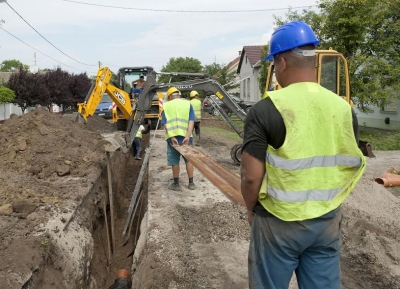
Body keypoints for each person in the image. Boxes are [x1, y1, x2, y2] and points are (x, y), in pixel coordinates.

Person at [240, 21, 366, 289]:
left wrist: (252, 210)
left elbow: (251, 178)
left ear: (281, 63)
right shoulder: (343, 109)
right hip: (328, 219)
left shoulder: (266, 109)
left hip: (278, 221)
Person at [162, 87, 196, 191]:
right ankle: (191, 184)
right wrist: (187, 136)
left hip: (173, 139)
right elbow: (191, 121)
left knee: (174, 161)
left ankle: (176, 184)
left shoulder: (166, 105)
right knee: (188, 160)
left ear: (170, 96)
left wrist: (172, 136)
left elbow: (165, 123)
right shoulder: (188, 104)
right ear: (179, 95)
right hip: (186, 138)